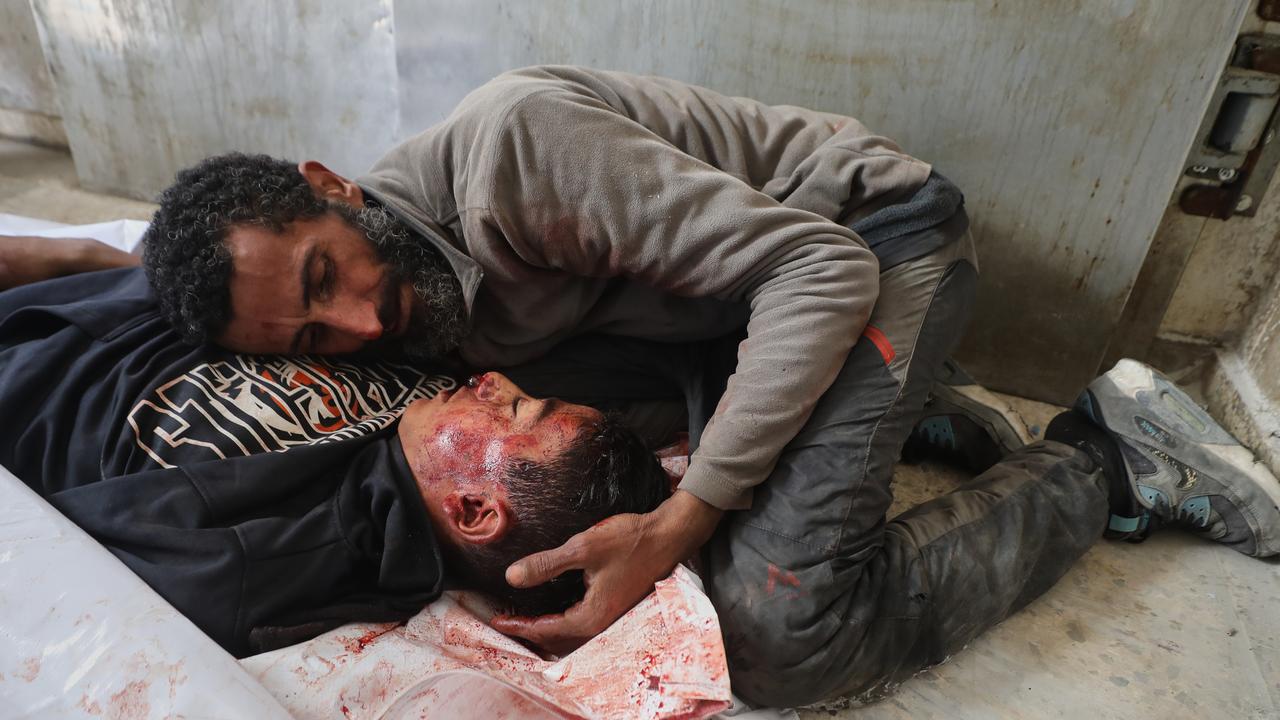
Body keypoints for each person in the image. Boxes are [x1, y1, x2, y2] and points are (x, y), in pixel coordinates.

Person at [96, 64, 1280, 705]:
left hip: (868, 248)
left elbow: (821, 269)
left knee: (772, 629)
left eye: (325, 273)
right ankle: (904, 411)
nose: (357, 323)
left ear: (330, 186)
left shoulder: (513, 153)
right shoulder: (370, 314)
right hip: (716, 323)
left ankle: (1110, 453)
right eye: (311, 335)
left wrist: (682, 521)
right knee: (580, 469)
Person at [0, 265, 668, 657]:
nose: (494, 382)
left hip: (39, 376)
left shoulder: (274, 551)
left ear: (472, 510)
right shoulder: (430, 407)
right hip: (114, 300)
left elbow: (33, 559)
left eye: (516, 410)